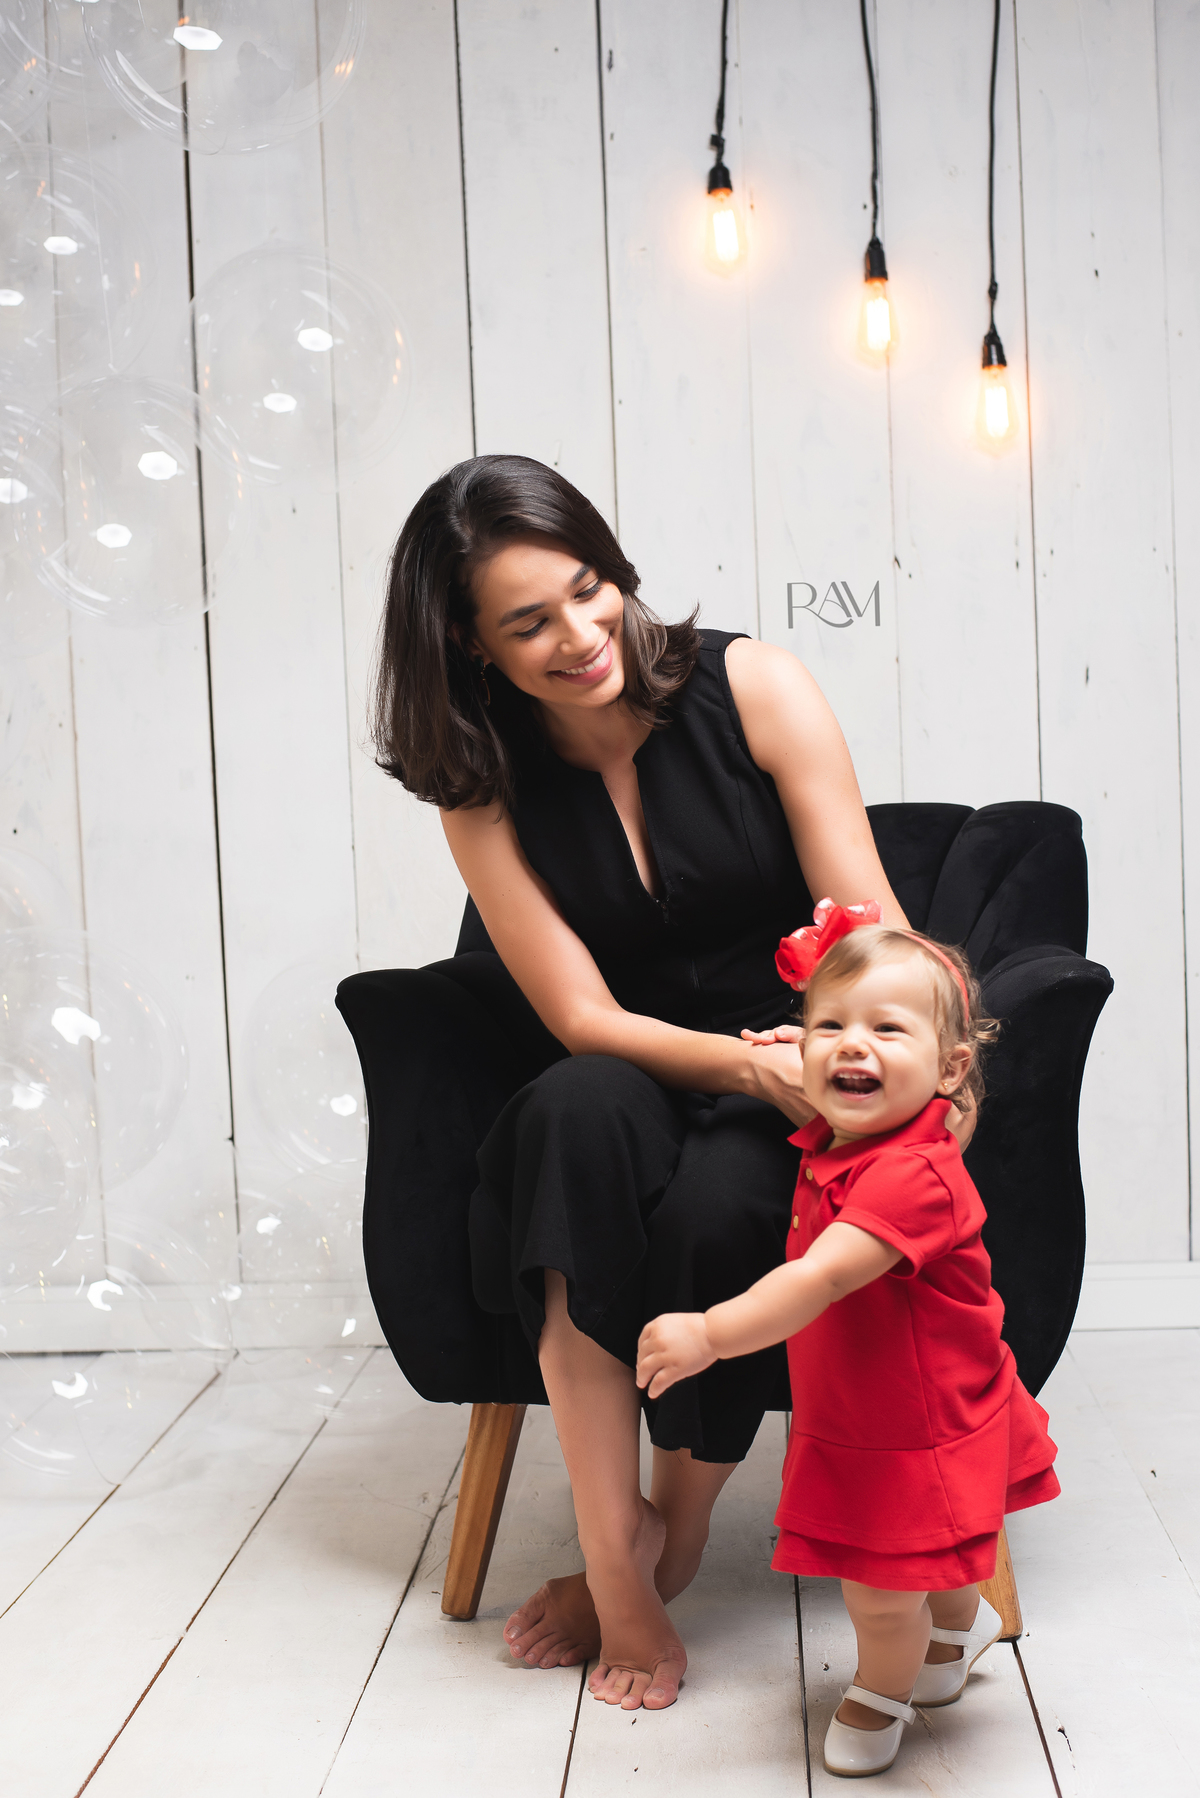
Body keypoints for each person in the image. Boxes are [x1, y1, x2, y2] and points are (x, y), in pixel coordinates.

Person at [368, 453, 976, 1714]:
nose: (581, 635)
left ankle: (674, 1534)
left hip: (809, 1064)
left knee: (715, 1207)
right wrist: (736, 1065)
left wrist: (826, 1068)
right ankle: (615, 1558)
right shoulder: (478, 787)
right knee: (566, 1122)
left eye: (590, 589)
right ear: (471, 646)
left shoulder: (756, 685)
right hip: (632, 1062)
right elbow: (581, 1015)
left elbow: (873, 934)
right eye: (529, 623)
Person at [636, 909, 1059, 1776]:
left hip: (920, 1420)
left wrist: (709, 1332)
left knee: (881, 1589)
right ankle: (959, 1629)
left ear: (951, 1069)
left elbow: (819, 1278)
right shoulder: (850, 1136)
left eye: (886, 1030)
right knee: (941, 1550)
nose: (851, 1046)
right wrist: (821, 1045)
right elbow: (843, 1057)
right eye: (830, 1025)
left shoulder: (913, 1176)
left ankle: (879, 1689)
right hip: (873, 1405)